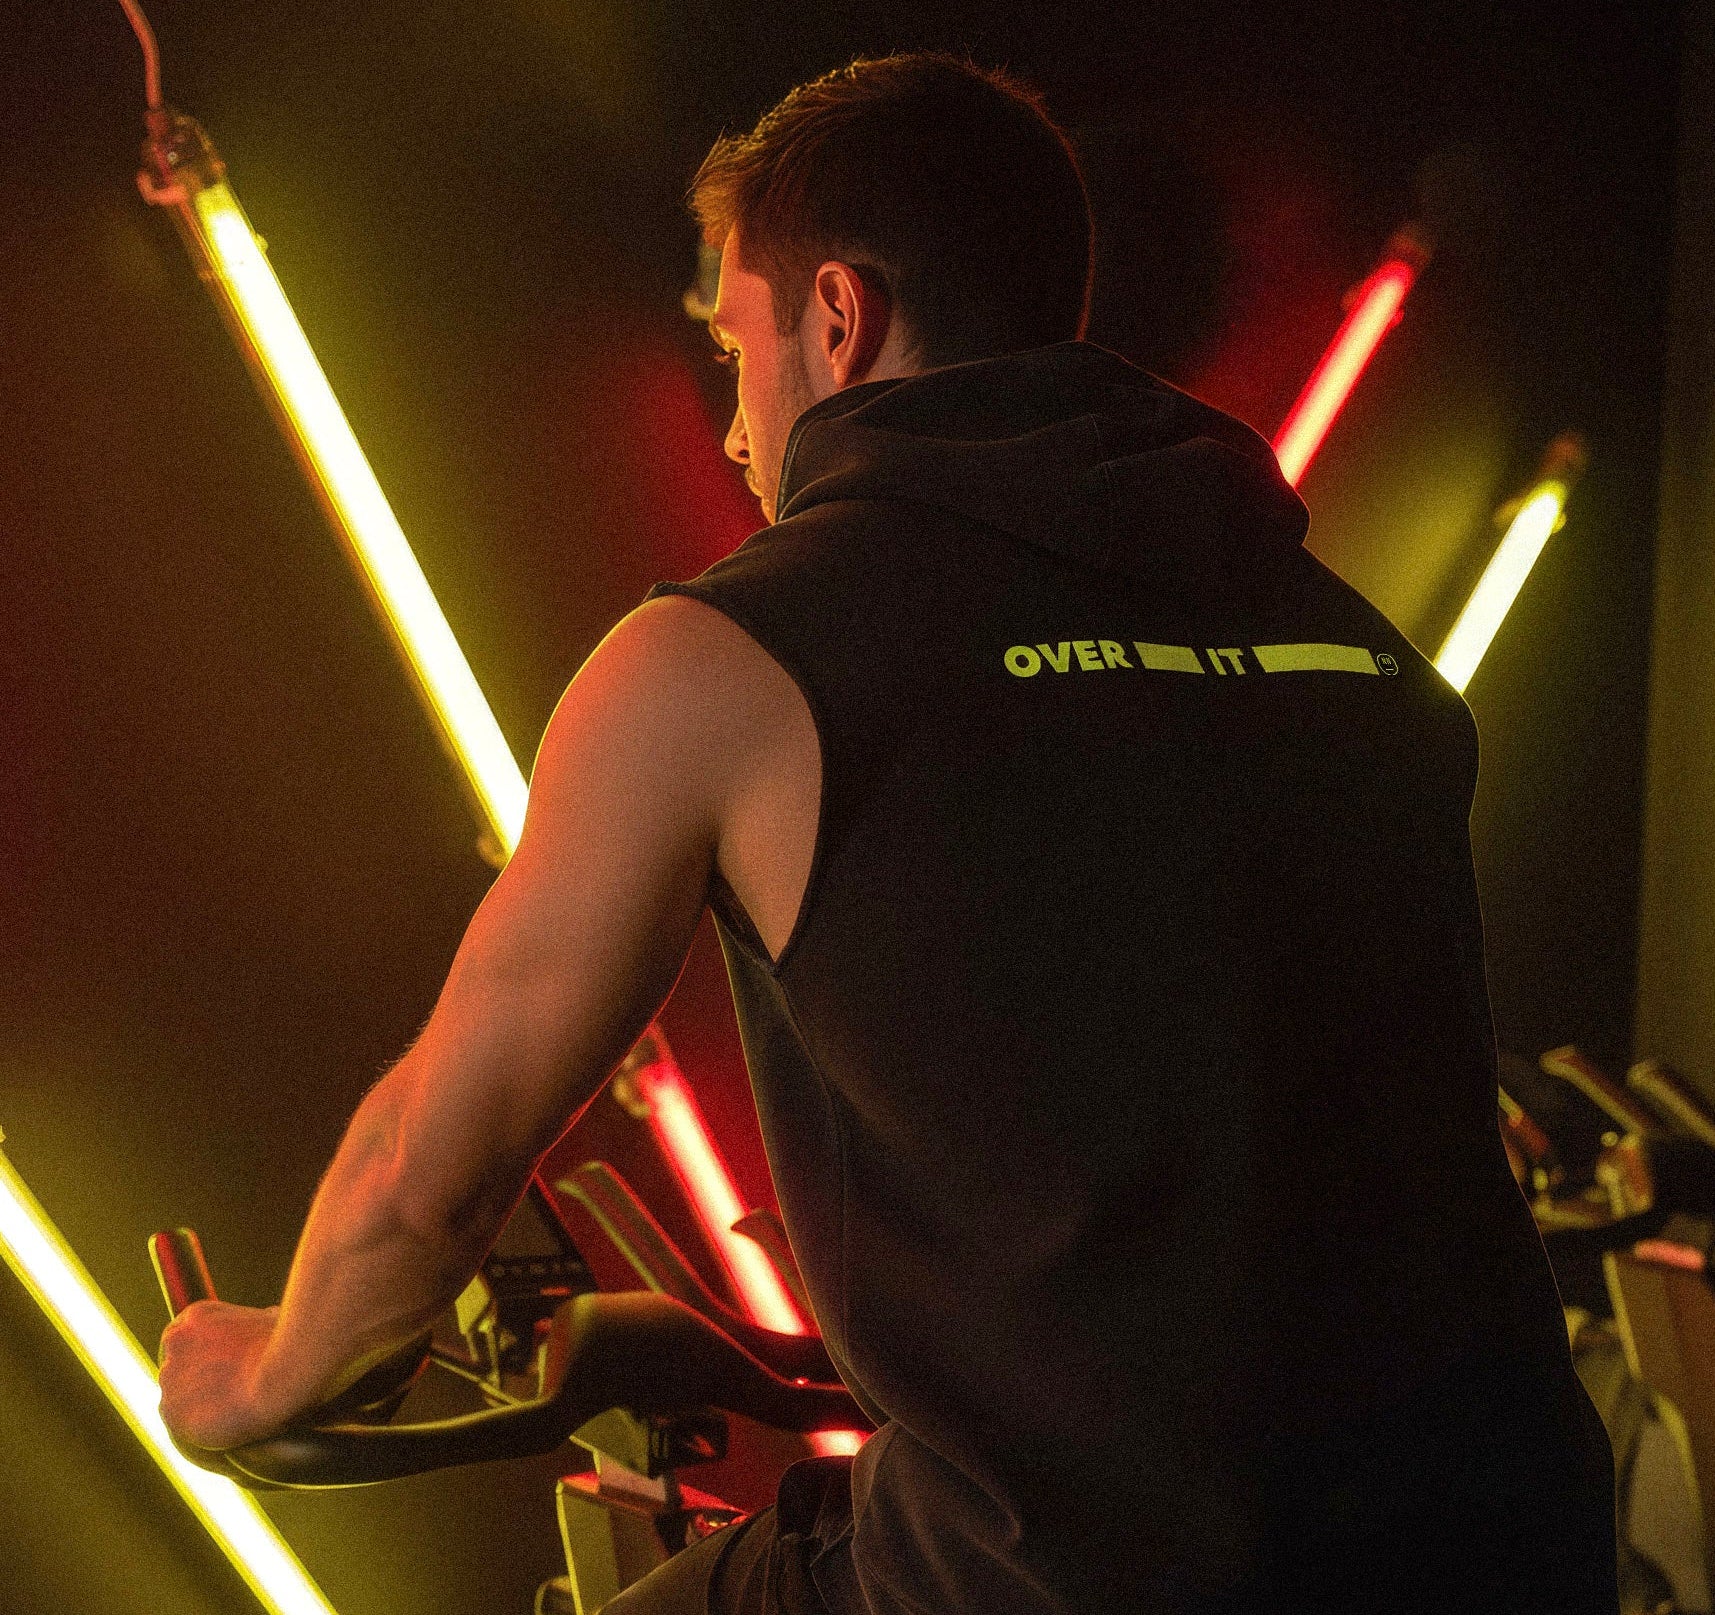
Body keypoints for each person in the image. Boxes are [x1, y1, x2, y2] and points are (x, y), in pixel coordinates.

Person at [157, 52, 1619, 1615]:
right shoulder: (1353, 646)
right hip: (1510, 1546)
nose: (733, 433)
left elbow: (424, 1178)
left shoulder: (720, 661)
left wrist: (261, 1375)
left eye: (736, 347)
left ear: (837, 318)